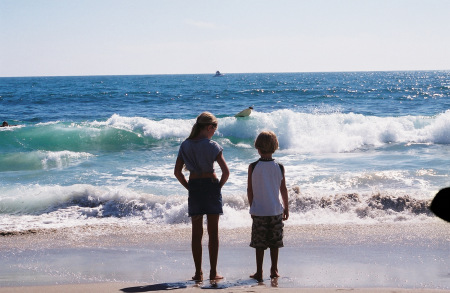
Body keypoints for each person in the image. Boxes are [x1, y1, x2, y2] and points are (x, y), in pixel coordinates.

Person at [174, 112, 230, 282]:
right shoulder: (213, 146)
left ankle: (198, 273)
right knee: (213, 233)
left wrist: (189, 187)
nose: (214, 132)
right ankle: (213, 272)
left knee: (196, 233)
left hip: (195, 187)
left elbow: (177, 173)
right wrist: (217, 188)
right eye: (214, 129)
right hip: (211, 186)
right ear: (209, 127)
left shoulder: (185, 145)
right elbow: (226, 172)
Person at [247, 131, 289, 282]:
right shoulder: (279, 167)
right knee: (275, 243)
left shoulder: (253, 166)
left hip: (259, 212)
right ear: (275, 147)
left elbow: (250, 190)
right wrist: (286, 207)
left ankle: (259, 271)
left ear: (258, 147)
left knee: (259, 244)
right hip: (275, 211)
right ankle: (274, 269)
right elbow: (283, 189)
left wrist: (252, 206)